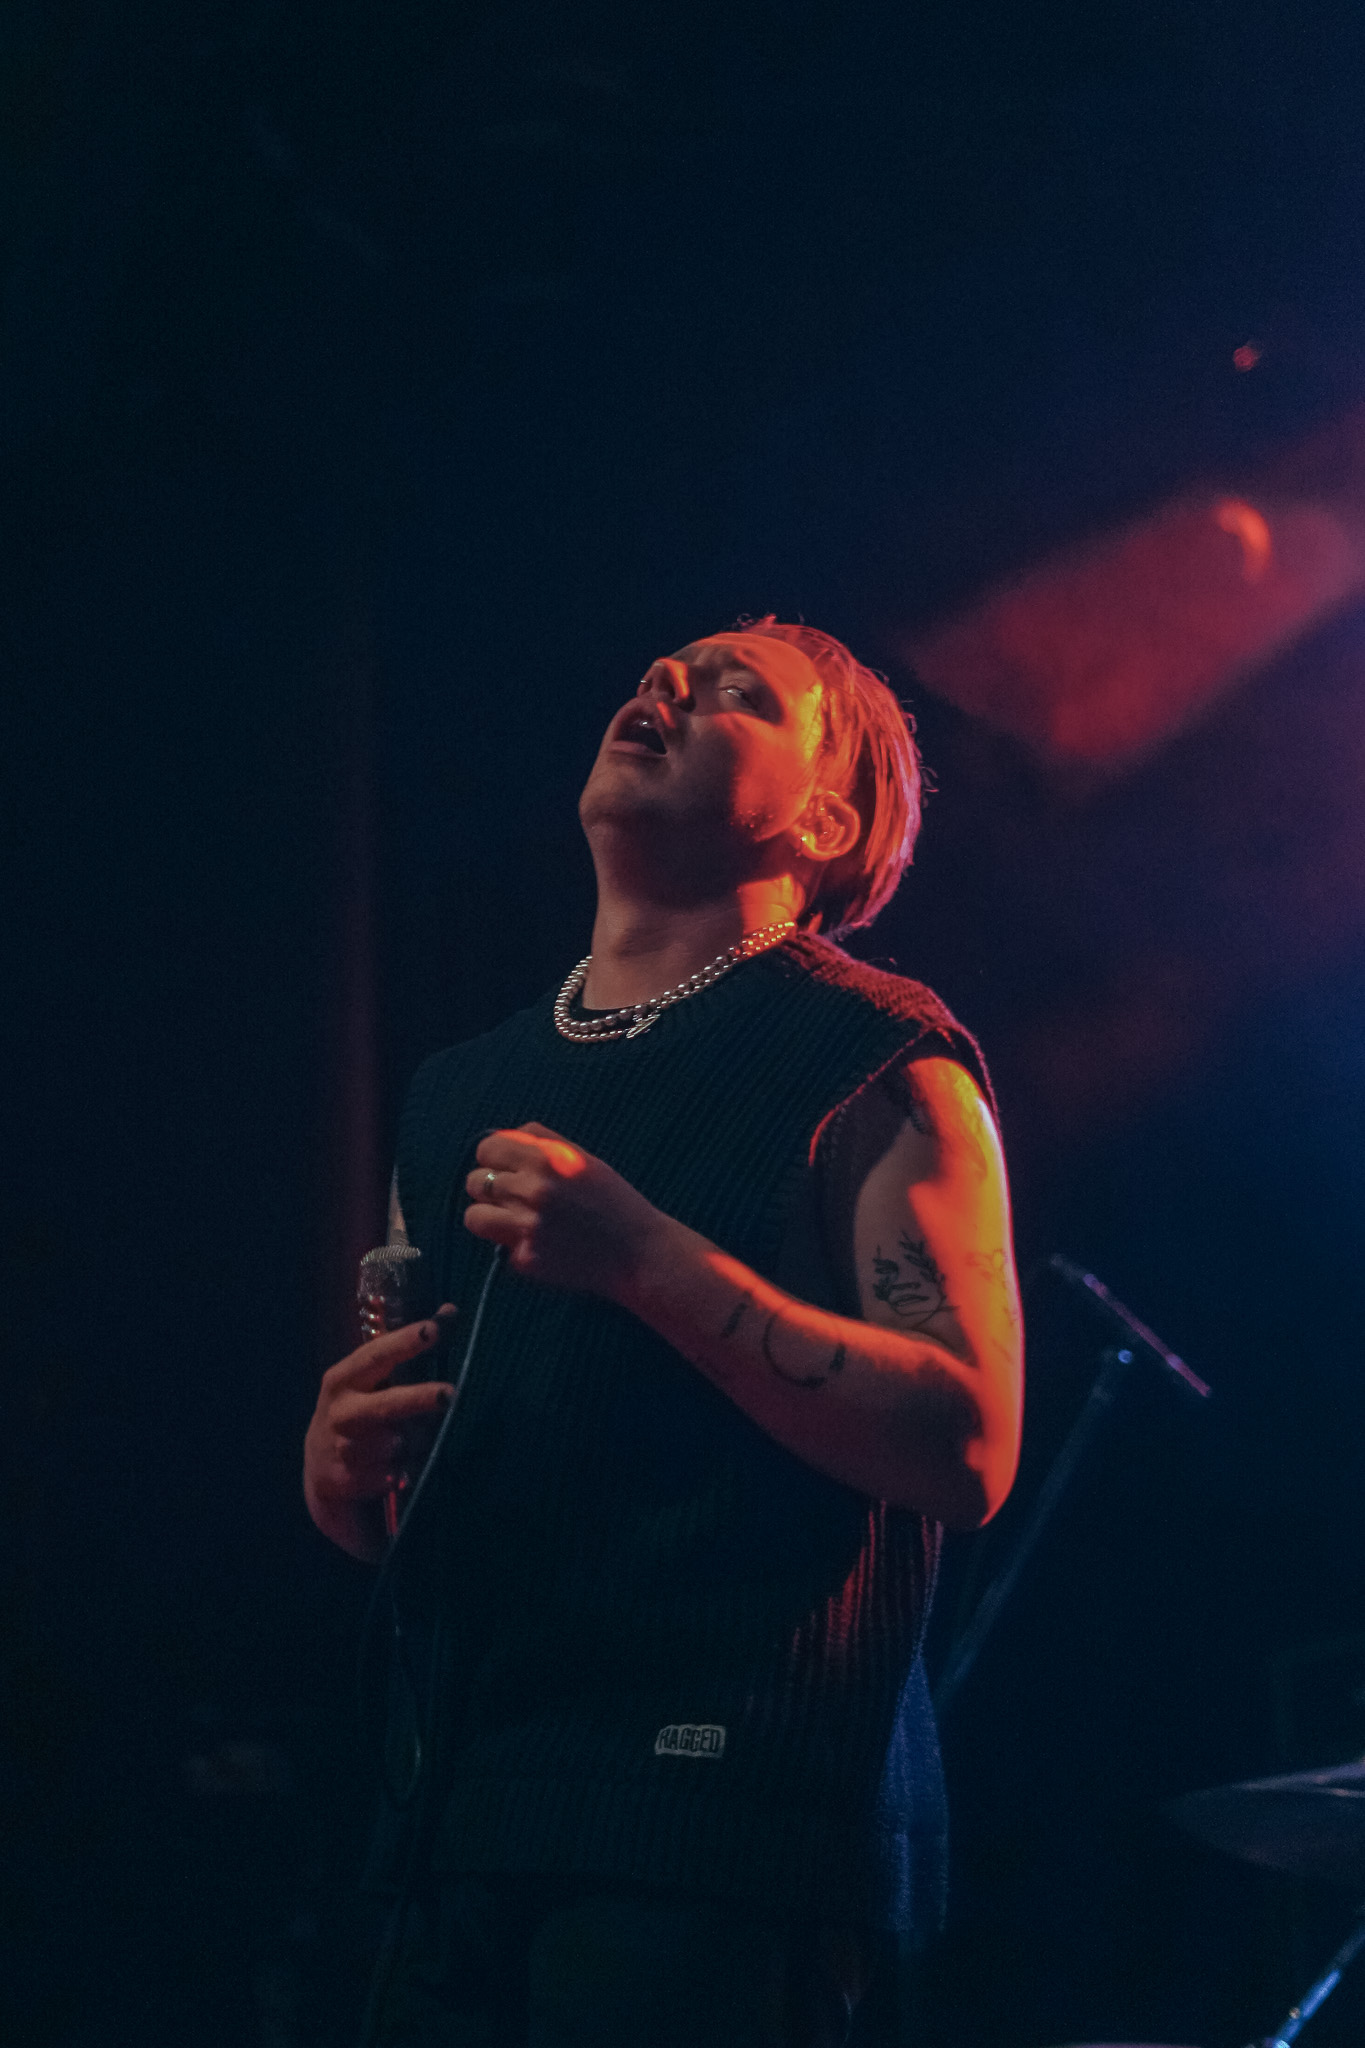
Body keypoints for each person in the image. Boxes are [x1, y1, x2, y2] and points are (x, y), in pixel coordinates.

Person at [303, 620, 1024, 2047]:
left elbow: (968, 1445)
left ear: (824, 819)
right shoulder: (460, 1088)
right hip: (457, 1814)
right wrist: (341, 1478)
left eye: (737, 692)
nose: (669, 686)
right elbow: (422, 1493)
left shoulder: (875, 1053)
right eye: (660, 675)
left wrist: (644, 1259)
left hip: (719, 1824)